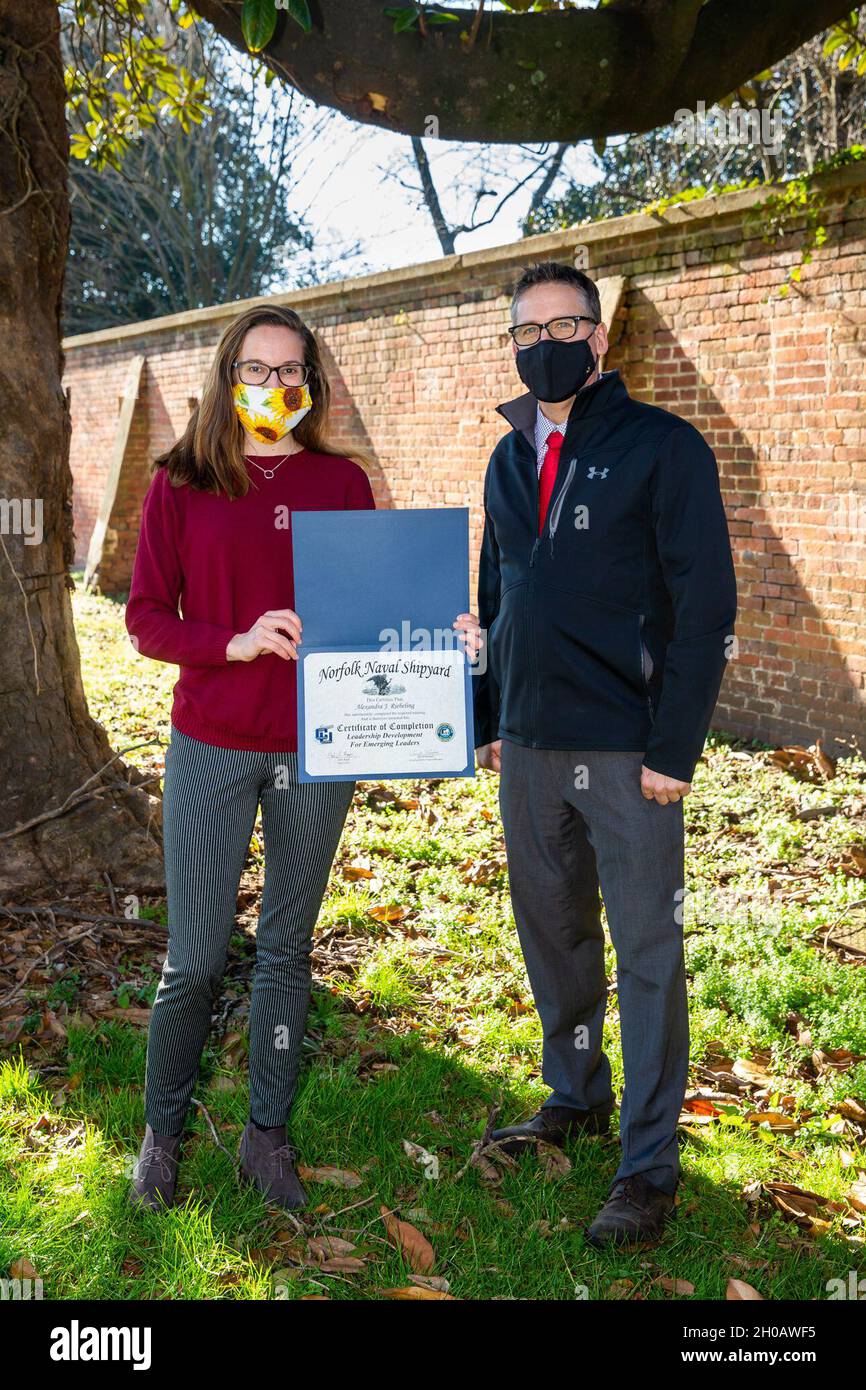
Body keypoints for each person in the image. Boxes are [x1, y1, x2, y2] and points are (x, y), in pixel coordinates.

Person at [123, 304, 480, 1213]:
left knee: (287, 950)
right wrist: (233, 643)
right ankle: (162, 1134)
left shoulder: (340, 481)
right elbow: (144, 621)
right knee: (196, 959)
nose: (273, 387)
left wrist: (444, 635)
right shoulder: (180, 481)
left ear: (309, 381)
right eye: (256, 368)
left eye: (290, 371)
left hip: (321, 746)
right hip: (211, 742)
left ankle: (265, 1134)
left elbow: (379, 602)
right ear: (225, 375)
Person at [474, 261, 737, 1247]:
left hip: (629, 751)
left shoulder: (662, 448)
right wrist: (488, 715)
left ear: (597, 336)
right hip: (530, 748)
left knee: (646, 955)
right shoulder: (506, 457)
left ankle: (648, 1164)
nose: (546, 338)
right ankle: (574, 1091)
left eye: (566, 321)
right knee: (554, 938)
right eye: (527, 327)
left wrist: (673, 745)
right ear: (510, 345)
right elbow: (497, 593)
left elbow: (703, 599)